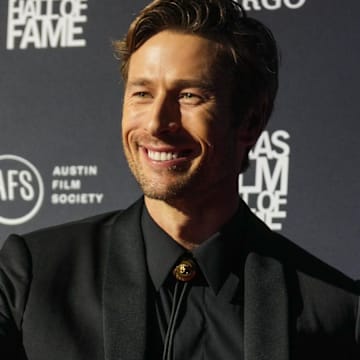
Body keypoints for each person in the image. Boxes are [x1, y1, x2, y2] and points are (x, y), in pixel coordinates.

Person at [0, 0, 359, 359]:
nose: (156, 123)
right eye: (142, 93)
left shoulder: (338, 311)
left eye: (189, 96)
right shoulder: (30, 276)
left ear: (250, 122)